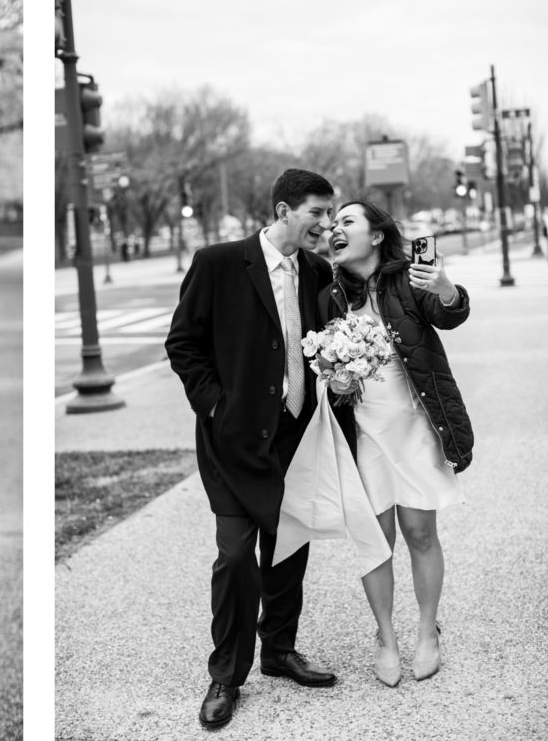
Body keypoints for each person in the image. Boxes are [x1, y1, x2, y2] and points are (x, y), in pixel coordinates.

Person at [165, 169, 338, 731]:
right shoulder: (218, 263)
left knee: (288, 547)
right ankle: (225, 675)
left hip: (297, 434)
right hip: (233, 441)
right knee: (236, 556)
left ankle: (279, 650)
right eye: (317, 212)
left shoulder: (316, 271)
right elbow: (183, 343)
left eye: (329, 212)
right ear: (285, 210)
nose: (325, 223)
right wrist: (216, 405)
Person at [323, 200, 472, 687]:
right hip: (364, 435)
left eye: (347, 221)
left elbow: (449, 314)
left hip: (414, 428)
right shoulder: (331, 296)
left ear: (377, 235)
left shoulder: (408, 280)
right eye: (333, 224)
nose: (335, 229)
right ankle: (386, 638)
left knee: (420, 532)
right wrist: (336, 381)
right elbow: (322, 364)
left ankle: (427, 633)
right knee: (376, 539)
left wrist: (447, 288)